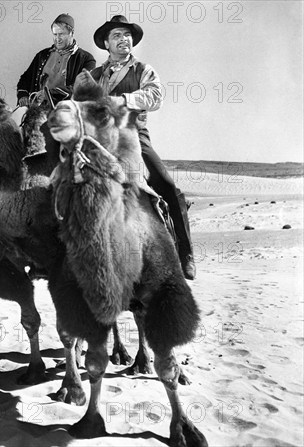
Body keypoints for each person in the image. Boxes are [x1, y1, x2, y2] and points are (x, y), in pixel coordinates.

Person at [75, 15, 196, 279]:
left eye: (127, 35)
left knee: (168, 187)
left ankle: (185, 254)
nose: (123, 40)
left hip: (134, 135)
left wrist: (122, 100)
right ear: (106, 43)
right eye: (117, 35)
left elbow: (155, 96)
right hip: (98, 139)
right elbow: (80, 104)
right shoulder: (93, 76)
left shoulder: (143, 69)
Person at [16, 13, 95, 107]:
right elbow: (25, 79)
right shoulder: (42, 55)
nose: (58, 39)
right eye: (55, 34)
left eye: (61, 34)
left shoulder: (86, 59)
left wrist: (49, 94)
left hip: (67, 112)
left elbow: (83, 87)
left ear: (71, 33)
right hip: (38, 112)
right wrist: (23, 95)